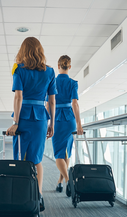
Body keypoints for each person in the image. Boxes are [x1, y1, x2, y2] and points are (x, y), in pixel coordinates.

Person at [6, 37, 57, 212]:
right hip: (41, 119)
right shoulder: (50, 72)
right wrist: (52, 123)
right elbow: (52, 101)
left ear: (23, 51)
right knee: (36, 159)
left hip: (23, 118)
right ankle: (38, 196)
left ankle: (21, 195)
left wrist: (15, 123)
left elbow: (18, 97)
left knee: (20, 158)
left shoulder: (19, 70)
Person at [50, 55, 83, 195]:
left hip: (57, 119)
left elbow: (49, 103)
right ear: (69, 67)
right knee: (66, 152)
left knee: (58, 154)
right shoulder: (73, 83)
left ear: (58, 66)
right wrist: (79, 124)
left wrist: (49, 122)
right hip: (70, 120)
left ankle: (69, 181)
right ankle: (60, 182)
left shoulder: (52, 82)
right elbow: (75, 104)